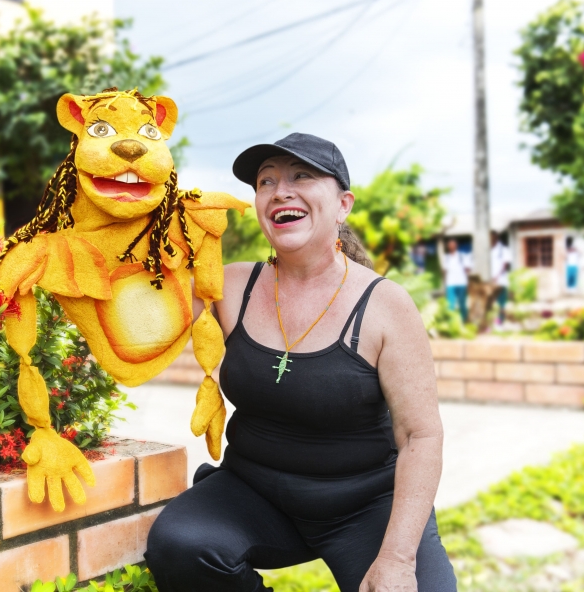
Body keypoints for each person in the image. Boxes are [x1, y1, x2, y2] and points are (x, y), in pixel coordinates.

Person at [146, 133, 456, 592]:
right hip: (255, 492)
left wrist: (396, 558)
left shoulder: (384, 305)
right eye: (265, 181)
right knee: (179, 544)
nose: (279, 190)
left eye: (301, 176)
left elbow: (421, 436)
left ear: (343, 204)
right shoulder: (230, 286)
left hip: (364, 505)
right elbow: (143, 332)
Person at [442, 239, 470, 323]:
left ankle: (464, 320)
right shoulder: (446, 257)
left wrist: (467, 280)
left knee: (462, 303)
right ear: (448, 246)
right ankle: (451, 322)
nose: (451, 246)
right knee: (450, 304)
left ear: (456, 245)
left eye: (453, 244)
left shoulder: (462, 256)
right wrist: (445, 283)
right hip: (450, 284)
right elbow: (444, 271)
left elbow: (467, 269)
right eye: (449, 245)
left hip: (462, 283)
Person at [490, 232, 512, 324]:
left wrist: (497, 276)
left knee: (501, 303)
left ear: (496, 237)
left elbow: (505, 265)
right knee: (490, 303)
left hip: (501, 281)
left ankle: (500, 322)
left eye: (492, 237)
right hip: (489, 282)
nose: (490, 239)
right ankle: (491, 322)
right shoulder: (486, 249)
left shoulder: (504, 250)